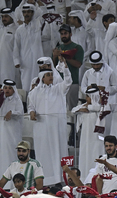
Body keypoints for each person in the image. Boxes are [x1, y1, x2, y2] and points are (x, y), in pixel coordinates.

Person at [27, 56, 72, 185]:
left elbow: (68, 82)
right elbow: (31, 106)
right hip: (41, 127)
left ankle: (60, 179)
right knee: (43, 152)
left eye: (51, 74)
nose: (51, 77)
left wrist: (66, 69)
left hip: (55, 127)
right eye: (48, 75)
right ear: (42, 78)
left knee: (57, 151)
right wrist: (31, 112)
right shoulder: (34, 92)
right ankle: (45, 181)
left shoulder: (57, 88)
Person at [53, 24, 84, 110]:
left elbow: (78, 64)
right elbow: (53, 66)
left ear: (70, 34)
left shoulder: (77, 47)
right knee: (59, 107)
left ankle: (73, 124)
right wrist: (55, 56)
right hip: (59, 83)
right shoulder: (58, 47)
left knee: (72, 108)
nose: (63, 35)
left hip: (72, 82)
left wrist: (65, 57)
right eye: (62, 34)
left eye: (65, 33)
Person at [13, 4, 43, 91]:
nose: (26, 14)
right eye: (24, 12)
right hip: (25, 61)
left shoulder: (38, 26)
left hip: (38, 59)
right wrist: (16, 61)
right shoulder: (19, 29)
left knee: (38, 83)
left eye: (29, 12)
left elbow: (41, 13)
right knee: (26, 84)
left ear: (33, 13)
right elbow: (16, 46)